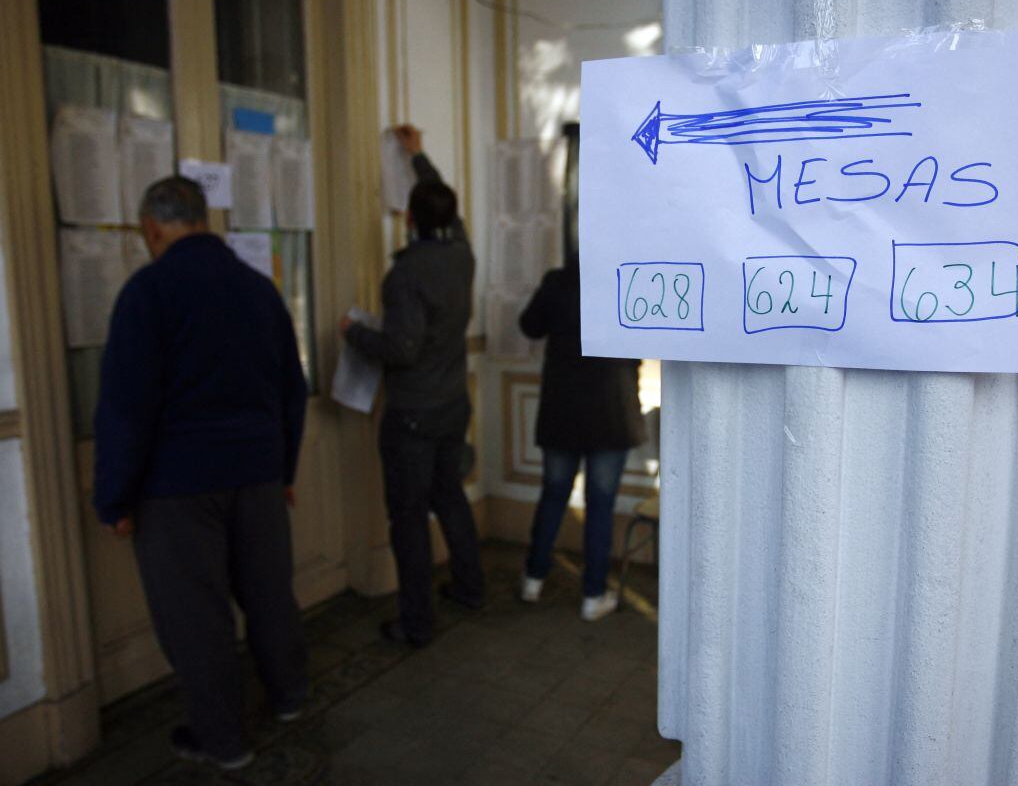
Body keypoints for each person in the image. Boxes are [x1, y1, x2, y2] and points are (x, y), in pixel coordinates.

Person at [93, 176, 309, 770]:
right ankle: (290, 696)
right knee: (269, 593)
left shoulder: (148, 293)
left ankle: (224, 740)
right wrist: (283, 469)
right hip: (259, 472)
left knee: (197, 618)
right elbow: (292, 390)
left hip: (178, 487)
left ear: (152, 228)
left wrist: (114, 499)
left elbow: (126, 409)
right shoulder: (258, 290)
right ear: (203, 219)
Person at [340, 124, 484, 646]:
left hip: (414, 416)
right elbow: (450, 213)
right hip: (452, 405)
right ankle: (469, 587)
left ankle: (417, 622)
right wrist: (418, 158)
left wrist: (353, 332)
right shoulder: (462, 255)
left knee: (407, 518)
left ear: (408, 219)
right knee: (450, 497)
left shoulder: (406, 275)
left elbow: (401, 349)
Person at [518, 253, 646, 621]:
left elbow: (529, 326)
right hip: (611, 411)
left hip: (562, 410)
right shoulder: (627, 278)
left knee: (553, 494)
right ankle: (593, 595)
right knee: (600, 505)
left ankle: (533, 579)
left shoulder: (557, 281)